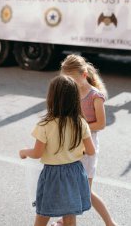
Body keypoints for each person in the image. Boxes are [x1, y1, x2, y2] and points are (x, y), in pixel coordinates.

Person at [19, 75, 95, 226]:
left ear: (52, 98)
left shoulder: (45, 124)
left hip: (53, 175)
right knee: (70, 214)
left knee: (43, 213)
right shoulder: (81, 122)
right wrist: (75, 152)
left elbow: (37, 153)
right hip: (74, 172)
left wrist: (24, 152)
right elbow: (91, 151)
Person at [59, 54, 118, 226]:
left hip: (88, 145)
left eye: (71, 79)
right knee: (67, 186)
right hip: (70, 144)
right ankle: (66, 221)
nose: (67, 83)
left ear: (84, 75)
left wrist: (80, 127)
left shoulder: (95, 96)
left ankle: (110, 222)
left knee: (85, 191)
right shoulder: (70, 92)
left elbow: (101, 124)